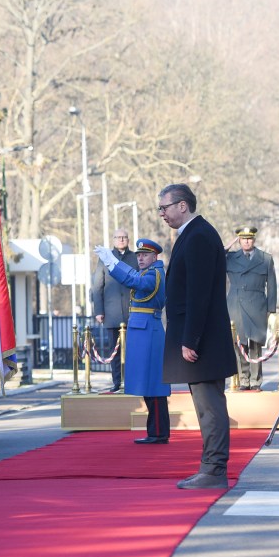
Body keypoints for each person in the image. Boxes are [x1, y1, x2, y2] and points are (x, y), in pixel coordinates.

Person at [157, 183, 237, 490]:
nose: (162, 214)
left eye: (164, 207)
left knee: (210, 406)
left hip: (202, 341)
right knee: (205, 406)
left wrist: (190, 339)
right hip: (199, 339)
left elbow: (199, 294)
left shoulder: (199, 235)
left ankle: (215, 470)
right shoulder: (192, 234)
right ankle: (209, 466)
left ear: (182, 205)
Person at [95, 238, 171, 444]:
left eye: (145, 255)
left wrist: (112, 263)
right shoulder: (149, 273)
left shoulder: (154, 274)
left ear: (155, 257)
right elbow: (133, 277)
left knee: (153, 385)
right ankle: (155, 431)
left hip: (148, 331)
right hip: (143, 330)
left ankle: (158, 433)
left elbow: (133, 281)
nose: (140, 258)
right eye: (138, 255)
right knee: (148, 385)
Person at [225, 226, 278, 390]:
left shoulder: (266, 258)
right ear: (238, 240)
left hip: (257, 304)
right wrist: (225, 247)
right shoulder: (230, 258)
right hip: (236, 304)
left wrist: (271, 310)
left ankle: (256, 381)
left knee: (255, 343)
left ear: (254, 240)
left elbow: (272, 286)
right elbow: (211, 258)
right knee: (240, 343)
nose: (246, 241)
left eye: (249, 238)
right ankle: (244, 379)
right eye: (243, 238)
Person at [90, 229, 138, 393]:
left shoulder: (135, 257)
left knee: (133, 350)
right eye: (118, 237)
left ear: (128, 239)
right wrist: (99, 311)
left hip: (133, 312)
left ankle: (132, 382)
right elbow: (97, 286)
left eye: (124, 237)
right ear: (113, 240)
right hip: (112, 313)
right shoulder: (105, 258)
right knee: (114, 351)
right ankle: (117, 382)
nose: (121, 240)